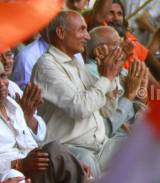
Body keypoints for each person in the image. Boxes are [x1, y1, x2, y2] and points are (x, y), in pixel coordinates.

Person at [30, 10, 128, 178]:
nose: (87, 37)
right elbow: (80, 108)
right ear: (61, 32)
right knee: (87, 162)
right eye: (82, 29)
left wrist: (112, 76)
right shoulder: (46, 66)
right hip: (70, 147)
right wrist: (106, 77)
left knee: (139, 149)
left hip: (100, 145)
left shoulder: (76, 62)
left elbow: (106, 111)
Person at [0, 63, 91, 182]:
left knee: (58, 152)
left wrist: (66, 161)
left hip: (28, 169)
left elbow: (30, 146)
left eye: (2, 76)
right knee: (55, 150)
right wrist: (18, 164)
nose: (2, 84)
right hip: (9, 175)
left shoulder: (13, 107)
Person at [85, 26, 148, 138]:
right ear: (99, 52)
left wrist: (140, 92)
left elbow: (139, 114)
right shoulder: (89, 73)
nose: (123, 48)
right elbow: (109, 125)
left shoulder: (122, 71)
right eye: (117, 44)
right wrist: (129, 94)